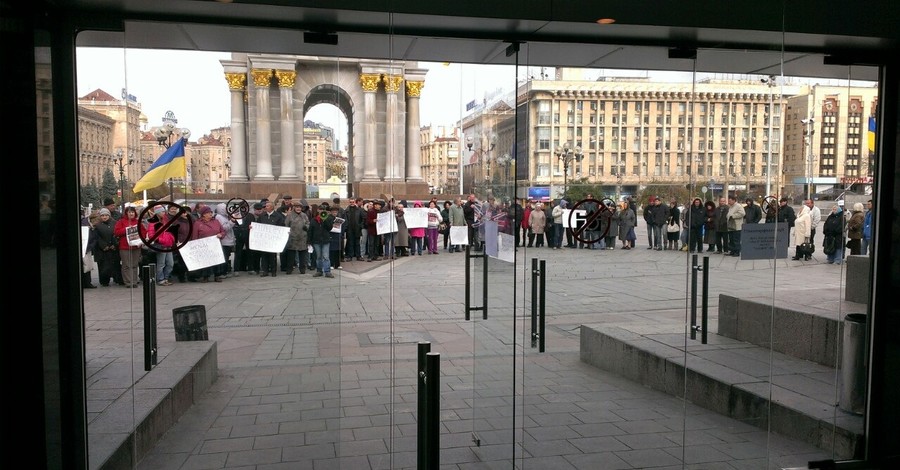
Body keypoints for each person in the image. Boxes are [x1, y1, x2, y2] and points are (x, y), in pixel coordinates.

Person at [190, 206, 225, 282]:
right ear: (203, 214)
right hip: (204, 245)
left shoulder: (216, 221)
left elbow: (223, 231)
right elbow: (195, 235)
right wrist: (195, 245)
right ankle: (205, 276)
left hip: (215, 245)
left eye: (211, 212)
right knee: (205, 261)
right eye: (208, 212)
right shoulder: (198, 223)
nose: (210, 214)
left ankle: (217, 275)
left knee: (217, 260)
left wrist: (221, 235)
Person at [113, 206, 142, 287]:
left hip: (136, 246)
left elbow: (143, 232)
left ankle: (134, 281)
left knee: (134, 264)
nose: (131, 213)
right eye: (129, 212)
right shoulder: (121, 222)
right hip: (125, 246)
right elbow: (116, 232)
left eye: (132, 212)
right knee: (126, 265)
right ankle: (128, 282)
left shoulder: (138, 222)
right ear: (126, 213)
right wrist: (127, 229)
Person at [255, 201, 285, 277]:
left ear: (272, 207)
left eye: (267, 206)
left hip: (273, 240)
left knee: (272, 256)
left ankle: (273, 271)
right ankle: (265, 271)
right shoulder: (262, 216)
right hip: (264, 240)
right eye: (265, 206)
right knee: (264, 256)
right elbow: (258, 225)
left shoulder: (278, 216)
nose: (265, 207)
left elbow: (281, 227)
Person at [308, 202, 335, 277]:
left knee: (326, 257)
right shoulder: (314, 220)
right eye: (320, 209)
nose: (322, 211)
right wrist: (309, 241)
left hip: (325, 240)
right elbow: (310, 230)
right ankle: (319, 271)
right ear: (318, 210)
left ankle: (327, 271)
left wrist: (325, 219)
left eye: (323, 209)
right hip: (316, 241)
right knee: (318, 256)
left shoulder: (328, 218)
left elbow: (330, 228)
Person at [284, 201, 310, 274]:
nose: (298, 208)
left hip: (302, 238)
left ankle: (302, 269)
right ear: (294, 208)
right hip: (292, 238)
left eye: (299, 207)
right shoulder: (290, 216)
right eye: (297, 207)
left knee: (302, 255)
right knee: (291, 256)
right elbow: (286, 225)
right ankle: (289, 269)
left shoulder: (304, 215)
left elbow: (308, 223)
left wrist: (306, 227)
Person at [213, 203, 236, 279]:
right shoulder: (219, 217)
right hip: (224, 241)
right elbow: (224, 228)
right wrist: (232, 222)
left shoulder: (224, 217)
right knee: (224, 257)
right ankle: (222, 272)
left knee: (226, 257)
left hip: (228, 240)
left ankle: (224, 271)